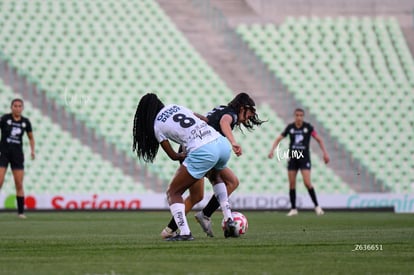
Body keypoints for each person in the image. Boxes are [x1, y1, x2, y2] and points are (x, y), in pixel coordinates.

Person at [132, 93, 239, 241]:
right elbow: (204, 119)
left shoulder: (157, 124)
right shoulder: (175, 107)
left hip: (202, 149)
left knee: (173, 192)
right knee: (216, 177)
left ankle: (184, 233)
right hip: (220, 142)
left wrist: (181, 155)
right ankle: (229, 219)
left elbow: (172, 155)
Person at [161, 93, 265, 238]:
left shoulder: (221, 108)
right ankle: (206, 215)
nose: (250, 117)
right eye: (250, 112)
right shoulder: (231, 114)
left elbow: (205, 119)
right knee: (231, 182)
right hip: (201, 151)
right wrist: (233, 142)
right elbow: (224, 122)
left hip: (200, 149)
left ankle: (170, 230)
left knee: (197, 196)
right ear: (242, 107)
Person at [268, 108, 329, 216]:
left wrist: (325, 153)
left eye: (301, 115)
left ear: (303, 116)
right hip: (292, 157)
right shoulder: (290, 127)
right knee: (292, 183)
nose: (299, 117)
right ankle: (293, 208)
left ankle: (317, 206)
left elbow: (319, 139)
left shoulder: (308, 127)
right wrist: (272, 150)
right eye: (297, 115)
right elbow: (278, 138)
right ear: (294, 116)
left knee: (307, 182)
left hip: (304, 158)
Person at [0, 98, 35, 219]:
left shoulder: (25, 122)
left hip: (17, 155)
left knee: (19, 184)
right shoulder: (4, 119)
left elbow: (31, 137)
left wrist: (32, 151)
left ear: (22, 108)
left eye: (20, 106)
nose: (17, 108)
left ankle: (21, 212)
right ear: (11, 107)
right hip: (3, 154)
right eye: (15, 106)